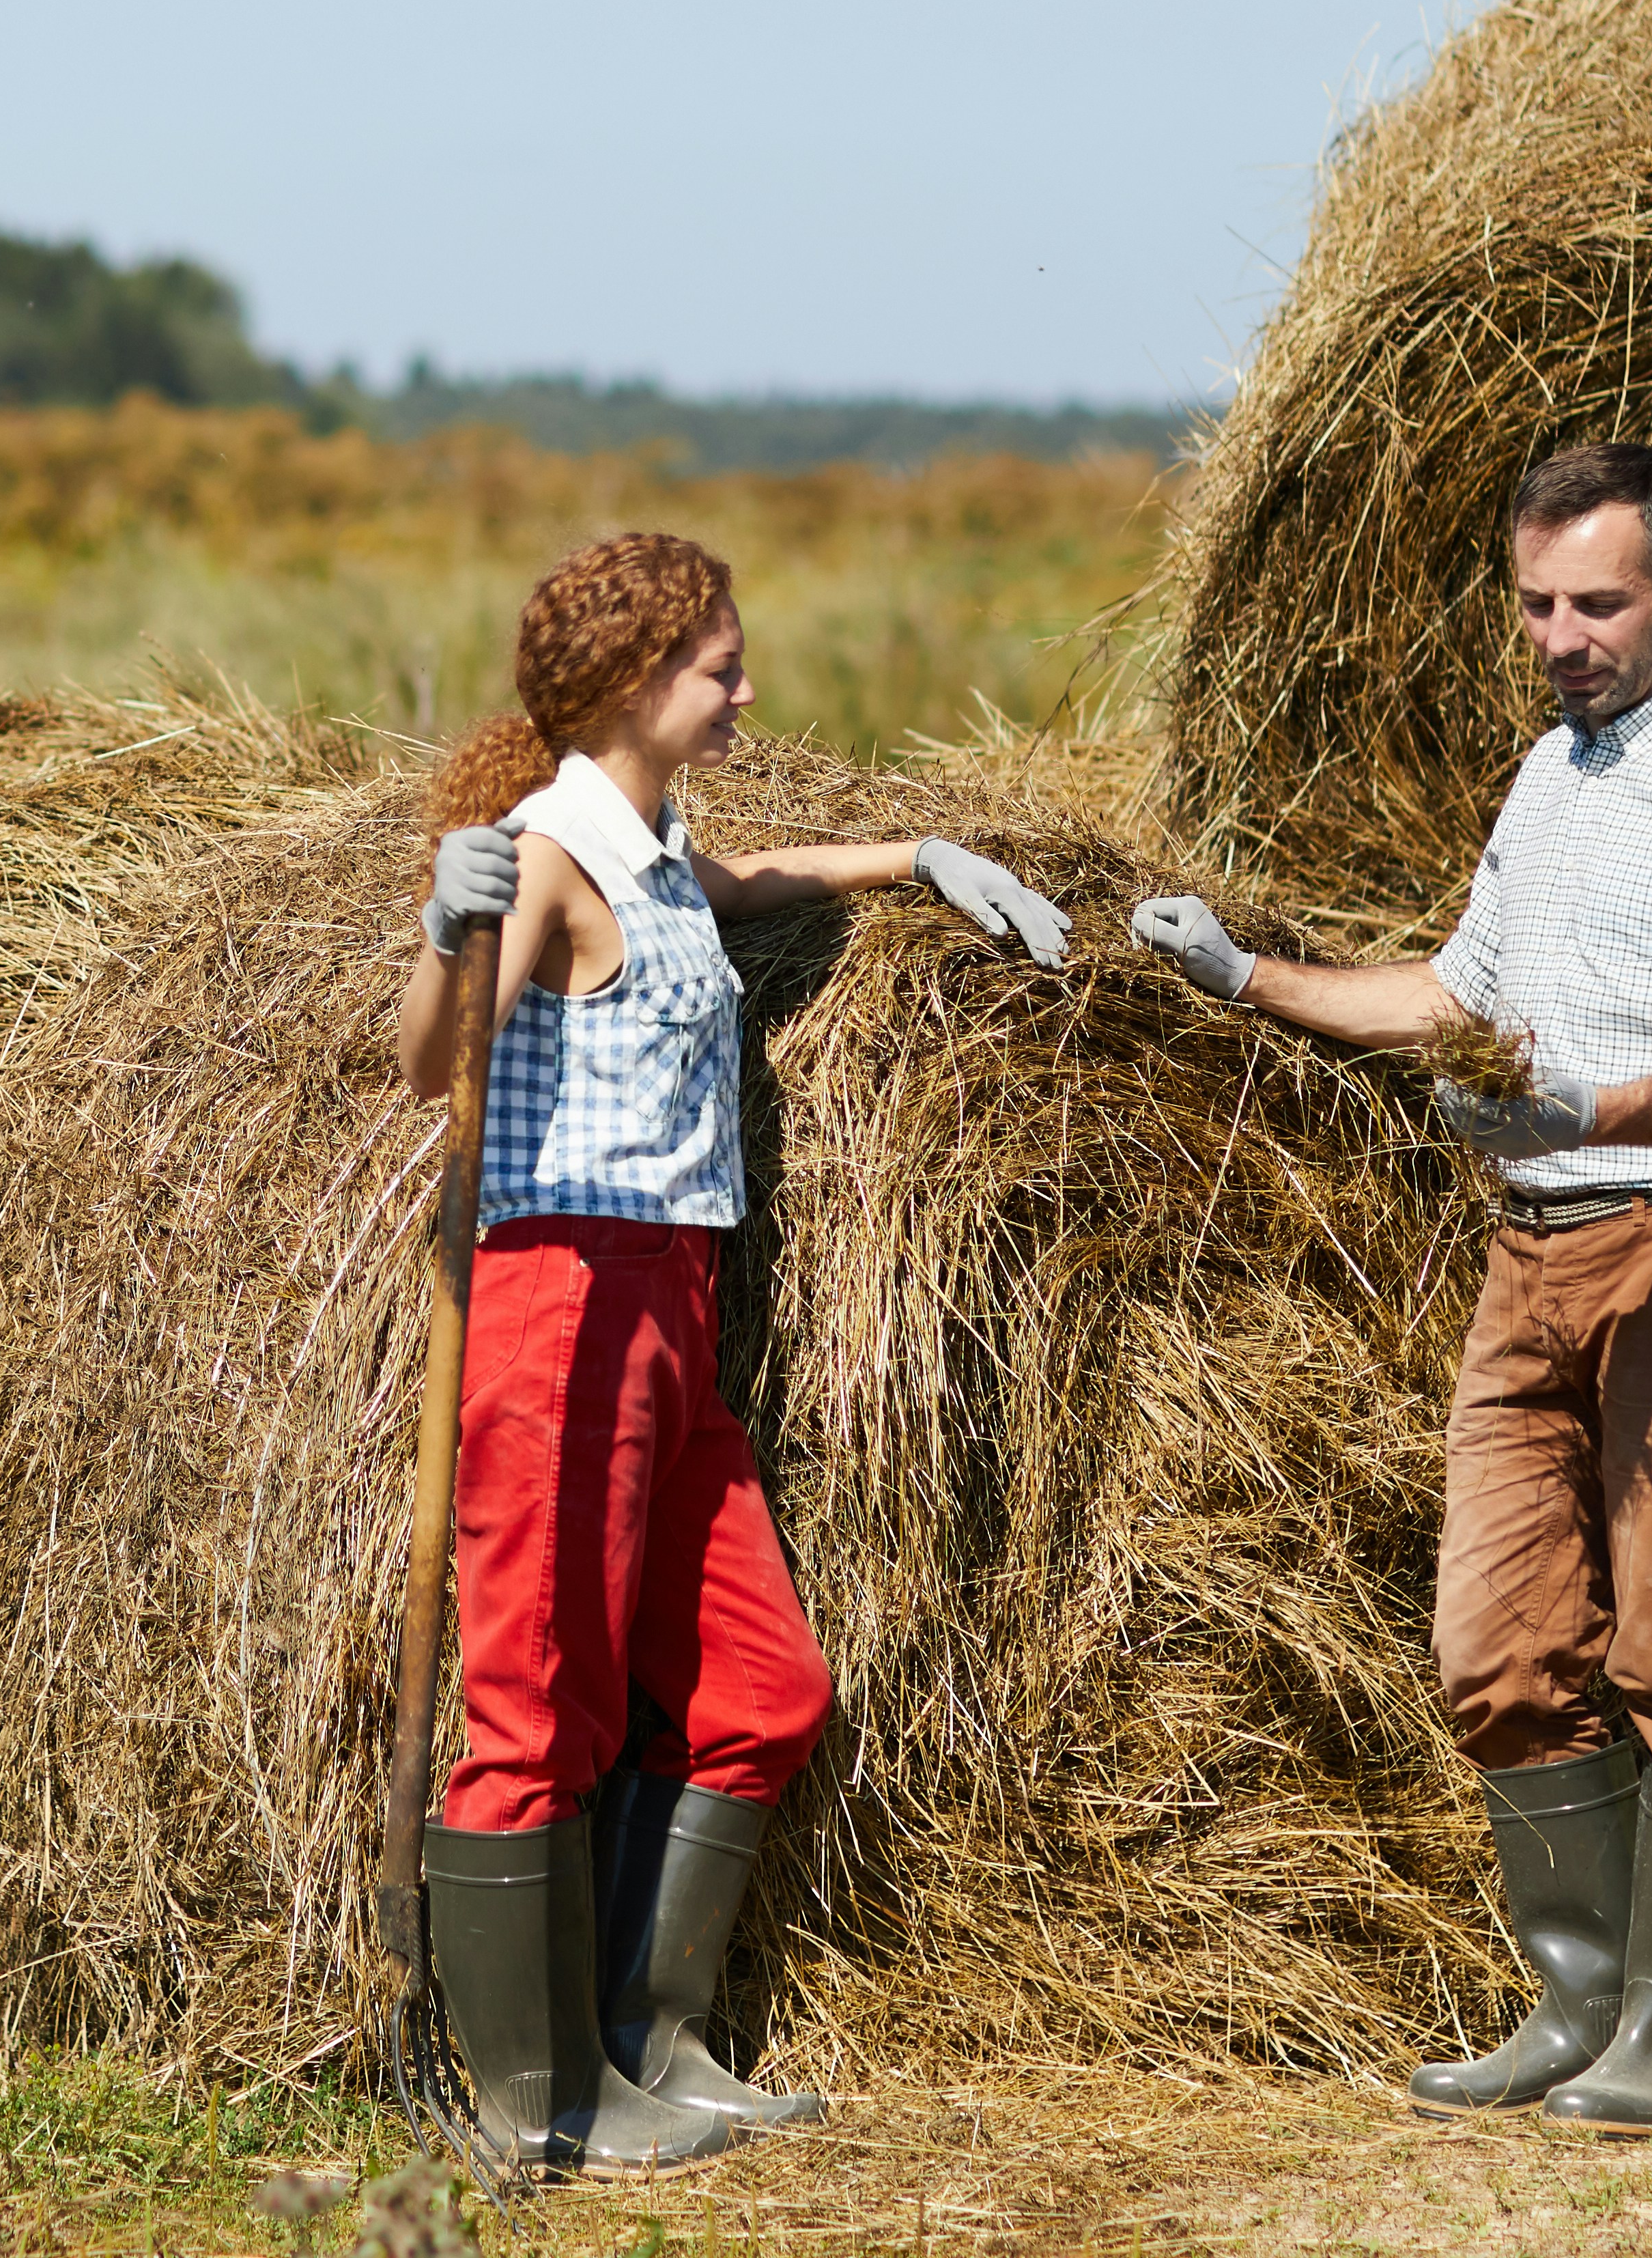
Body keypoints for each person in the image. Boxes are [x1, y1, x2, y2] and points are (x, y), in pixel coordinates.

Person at [1126, 441, 1652, 2138]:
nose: (1562, 635)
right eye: (1537, 604)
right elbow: (1457, 988)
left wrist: (1591, 1106)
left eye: (1597, 601)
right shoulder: (1553, 776)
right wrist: (1248, 972)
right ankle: (1576, 1997)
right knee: (1495, 1645)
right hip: (1530, 1249)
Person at [396, 528, 1074, 2177]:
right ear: (639, 680)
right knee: (536, 1699)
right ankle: (536, 2099)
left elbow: (744, 889)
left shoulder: (652, 837)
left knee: (766, 1683)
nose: (746, 687)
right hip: (565, 1299)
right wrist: (443, 918)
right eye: (720, 666)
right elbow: (425, 1066)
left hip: (673, 1308)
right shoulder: (545, 847)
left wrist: (914, 853)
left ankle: (654, 2035)